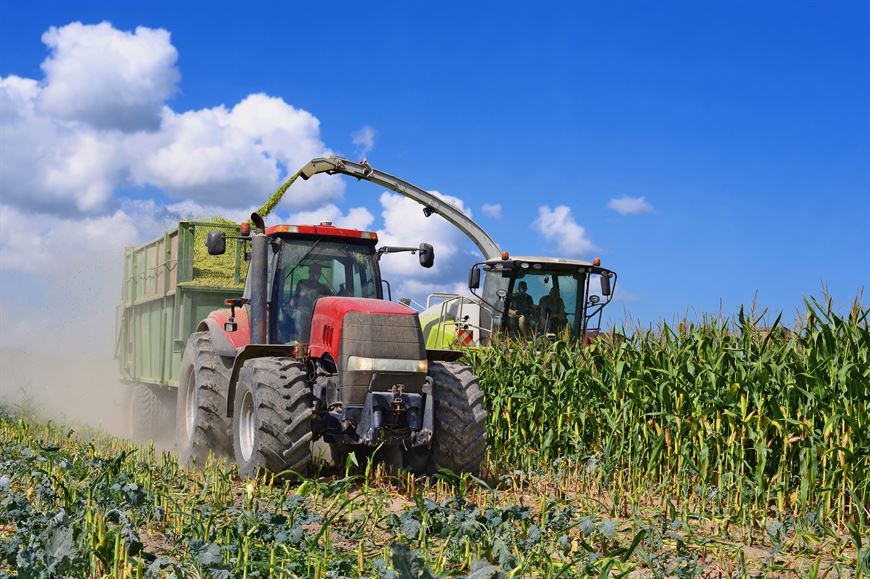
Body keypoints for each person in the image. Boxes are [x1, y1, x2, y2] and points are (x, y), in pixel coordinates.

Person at [292, 263, 332, 341]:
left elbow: (329, 300)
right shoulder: (302, 283)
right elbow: (297, 297)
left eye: (317, 272)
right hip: (303, 313)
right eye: (313, 272)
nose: (315, 275)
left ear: (320, 274)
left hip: (319, 315)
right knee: (302, 336)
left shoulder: (324, 287)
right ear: (309, 272)